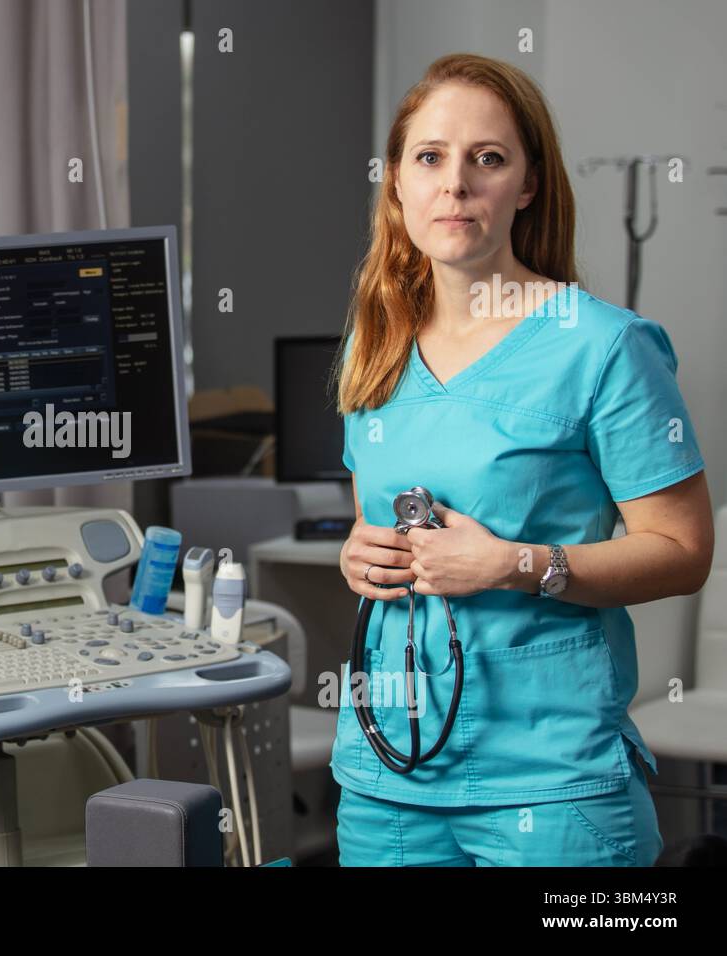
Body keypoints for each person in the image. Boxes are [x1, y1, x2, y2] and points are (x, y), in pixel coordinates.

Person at [330, 53, 713, 866]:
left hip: (552, 781)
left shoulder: (606, 347)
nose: (455, 183)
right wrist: (358, 554)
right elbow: (375, 519)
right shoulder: (376, 343)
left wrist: (514, 564)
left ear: (528, 186)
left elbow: (684, 554)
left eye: (488, 158)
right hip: (388, 775)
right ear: (396, 181)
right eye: (429, 157)